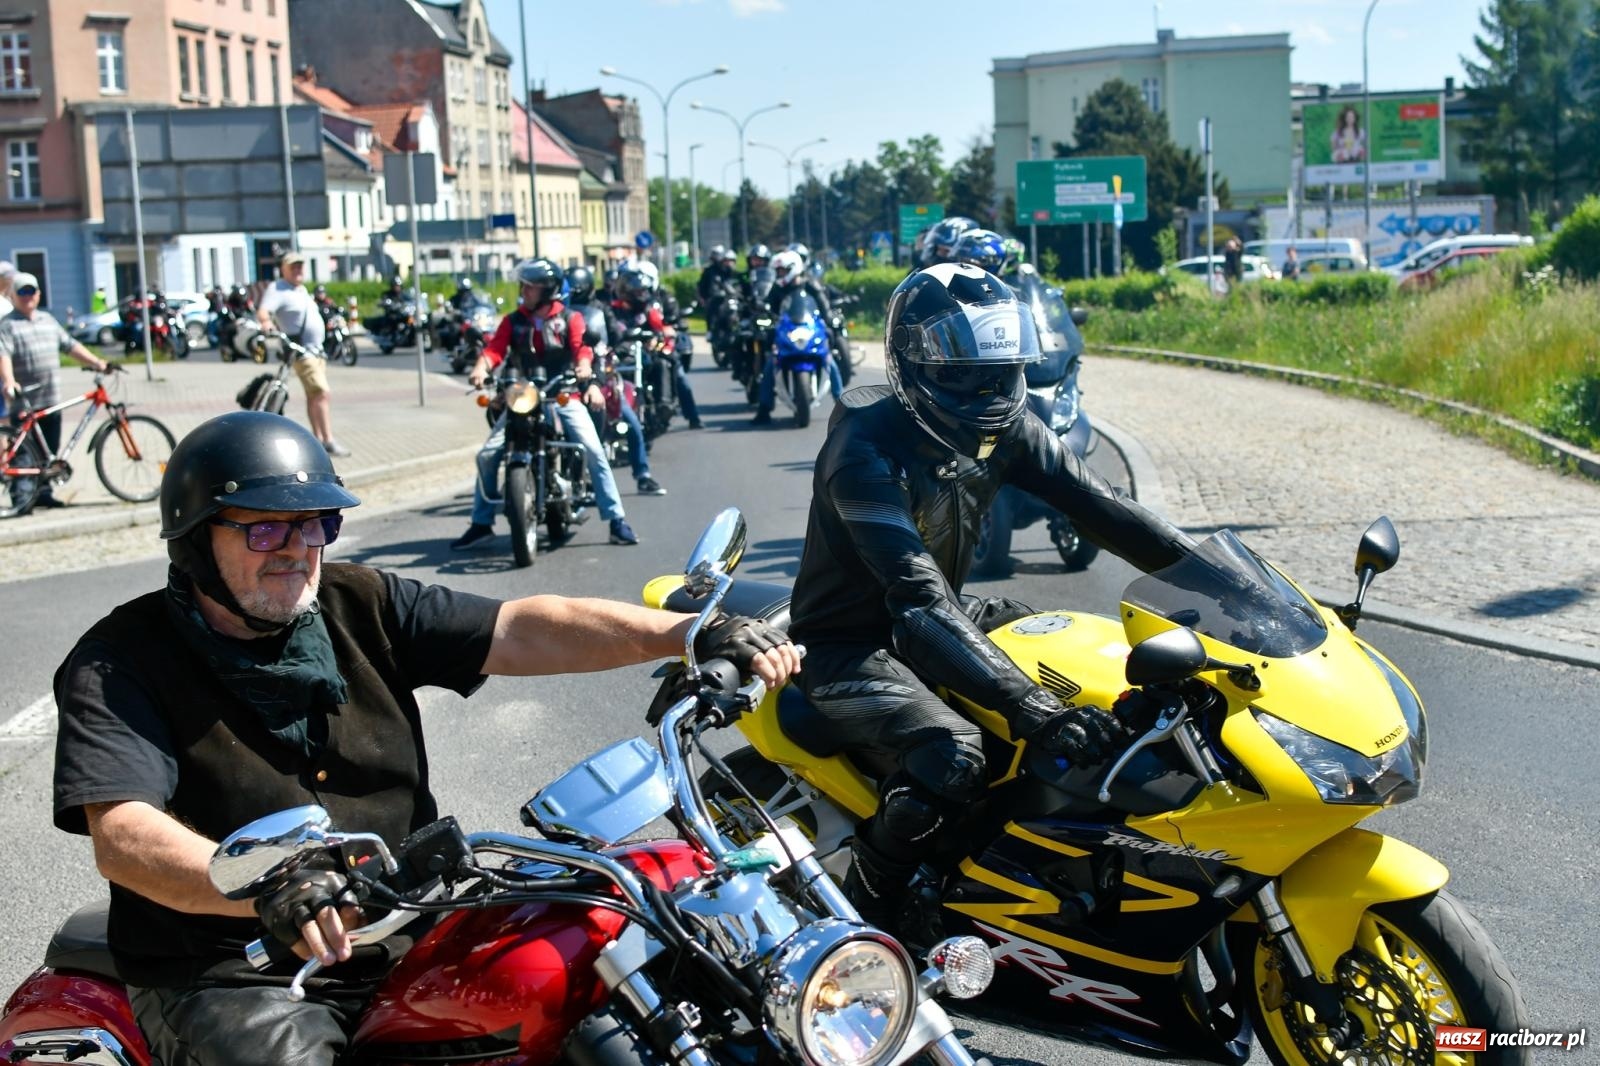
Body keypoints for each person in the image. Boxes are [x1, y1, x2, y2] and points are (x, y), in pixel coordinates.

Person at [50, 411, 799, 1066]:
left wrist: (689, 635)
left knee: (606, 975)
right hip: (240, 967)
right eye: (266, 527)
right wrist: (271, 885)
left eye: (316, 524)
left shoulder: (357, 601)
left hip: (417, 918)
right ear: (194, 540)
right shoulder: (120, 661)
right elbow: (123, 832)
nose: (297, 548)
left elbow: (522, 629)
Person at [786, 262, 1194, 929]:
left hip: (942, 615)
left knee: (1088, 667)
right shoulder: (863, 453)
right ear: (910, 365)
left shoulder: (1010, 426)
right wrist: (1036, 711)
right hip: (849, 643)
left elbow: (1108, 510)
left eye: (1000, 370)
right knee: (954, 753)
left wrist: (1226, 579)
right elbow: (914, 599)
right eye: (963, 373)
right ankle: (874, 899)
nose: (987, 389)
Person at [455, 258, 639, 550]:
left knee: (591, 448)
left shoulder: (570, 319)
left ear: (548, 289)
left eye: (531, 286)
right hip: (523, 396)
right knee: (487, 455)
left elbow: (582, 349)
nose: (524, 291)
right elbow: (494, 350)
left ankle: (617, 520)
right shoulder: (513, 320)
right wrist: (481, 368)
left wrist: (584, 371)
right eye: (524, 285)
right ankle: (481, 523)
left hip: (562, 393)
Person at [0, 271, 115, 508]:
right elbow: (3, 354)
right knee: (24, 452)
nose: (27, 296)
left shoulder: (48, 321)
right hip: (25, 399)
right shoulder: (8, 325)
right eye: (22, 291)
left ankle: (43, 494)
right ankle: (22, 500)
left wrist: (97, 363)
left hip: (51, 397)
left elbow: (70, 346)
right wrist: (9, 381)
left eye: (31, 291)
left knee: (49, 450)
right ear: (13, 296)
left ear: (39, 294)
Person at [567, 265, 665, 497]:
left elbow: (617, 336)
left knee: (630, 421)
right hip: (569, 381)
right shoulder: (562, 315)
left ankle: (643, 475)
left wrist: (617, 350)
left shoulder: (602, 311)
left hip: (600, 375)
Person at [257, 252, 349, 458]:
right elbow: (264, 311)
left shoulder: (300, 289)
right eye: (293, 267)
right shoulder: (277, 288)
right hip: (302, 351)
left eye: (300, 266)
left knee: (314, 396)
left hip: (316, 351)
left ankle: (318, 439)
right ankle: (328, 440)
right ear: (284, 268)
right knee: (322, 393)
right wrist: (266, 323)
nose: (298, 270)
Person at [753, 249, 843, 425]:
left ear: (793, 268)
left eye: (782, 271)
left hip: (809, 327)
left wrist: (830, 319)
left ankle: (844, 404)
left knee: (829, 360)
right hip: (787, 330)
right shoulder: (777, 288)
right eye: (777, 271)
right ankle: (764, 409)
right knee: (771, 363)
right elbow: (769, 306)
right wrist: (763, 311)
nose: (779, 275)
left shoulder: (810, 284)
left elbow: (823, 304)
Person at [613, 261, 702, 430]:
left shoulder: (660, 300)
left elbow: (663, 324)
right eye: (634, 287)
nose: (638, 291)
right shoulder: (616, 308)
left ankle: (689, 415)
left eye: (641, 287)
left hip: (655, 349)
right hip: (627, 353)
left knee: (678, 375)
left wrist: (665, 331)